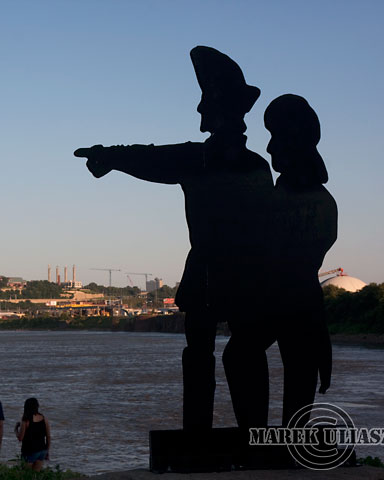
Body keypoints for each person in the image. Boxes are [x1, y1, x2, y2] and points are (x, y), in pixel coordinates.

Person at [75, 46, 274, 430]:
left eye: (204, 102)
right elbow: (151, 157)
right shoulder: (254, 166)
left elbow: (151, 158)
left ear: (216, 107)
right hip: (248, 275)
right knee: (240, 351)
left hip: (211, 271)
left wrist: (108, 156)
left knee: (204, 352)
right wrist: (111, 156)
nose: (199, 111)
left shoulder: (200, 159)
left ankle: (200, 436)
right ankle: (254, 435)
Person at [264, 94, 336, 427]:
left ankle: (280, 440)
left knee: (297, 369)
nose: (269, 148)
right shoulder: (309, 200)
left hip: (287, 301)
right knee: (298, 368)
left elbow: (297, 266)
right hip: (293, 301)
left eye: (276, 137)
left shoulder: (312, 203)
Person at [14, 398, 51, 471]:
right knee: (35, 475)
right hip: (42, 451)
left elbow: (20, 438)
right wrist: (47, 451)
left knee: (26, 475)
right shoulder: (44, 419)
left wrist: (16, 429)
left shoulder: (26, 420)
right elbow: (48, 437)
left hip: (30, 451)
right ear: (37, 406)